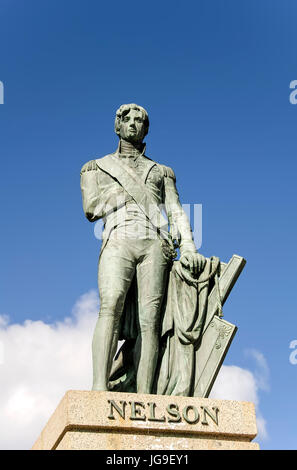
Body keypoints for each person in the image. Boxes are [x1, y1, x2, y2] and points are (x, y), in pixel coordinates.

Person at [80, 103, 206, 393]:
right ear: (118, 126)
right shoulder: (96, 167)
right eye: (129, 120)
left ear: (146, 129)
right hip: (117, 239)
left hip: (154, 245)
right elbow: (91, 207)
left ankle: (145, 396)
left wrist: (188, 246)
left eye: (140, 121)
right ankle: (99, 389)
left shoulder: (162, 172)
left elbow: (175, 211)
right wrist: (127, 191)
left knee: (149, 322)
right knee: (109, 306)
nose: (134, 125)